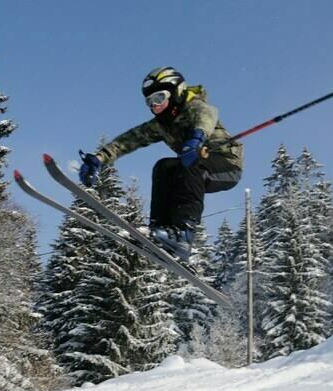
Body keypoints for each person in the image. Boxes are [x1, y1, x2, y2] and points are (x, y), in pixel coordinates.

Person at [79, 66, 243, 260]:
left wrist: (196, 139)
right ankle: (160, 230)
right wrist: (99, 159)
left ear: (176, 92)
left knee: (189, 166)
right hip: (193, 167)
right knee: (164, 167)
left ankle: (183, 233)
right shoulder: (161, 124)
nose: (154, 106)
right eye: (149, 102)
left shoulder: (194, 107)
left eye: (159, 98)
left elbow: (207, 115)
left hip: (227, 166)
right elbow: (128, 140)